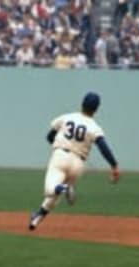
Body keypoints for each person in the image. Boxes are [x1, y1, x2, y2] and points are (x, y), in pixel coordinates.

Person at [29, 92, 120, 230]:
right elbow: (103, 147)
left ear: (82, 104)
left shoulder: (67, 117)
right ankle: (37, 217)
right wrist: (114, 165)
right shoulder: (94, 127)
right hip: (78, 164)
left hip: (61, 156)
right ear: (96, 109)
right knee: (56, 195)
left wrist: (62, 144)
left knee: (50, 189)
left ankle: (65, 188)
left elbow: (49, 136)